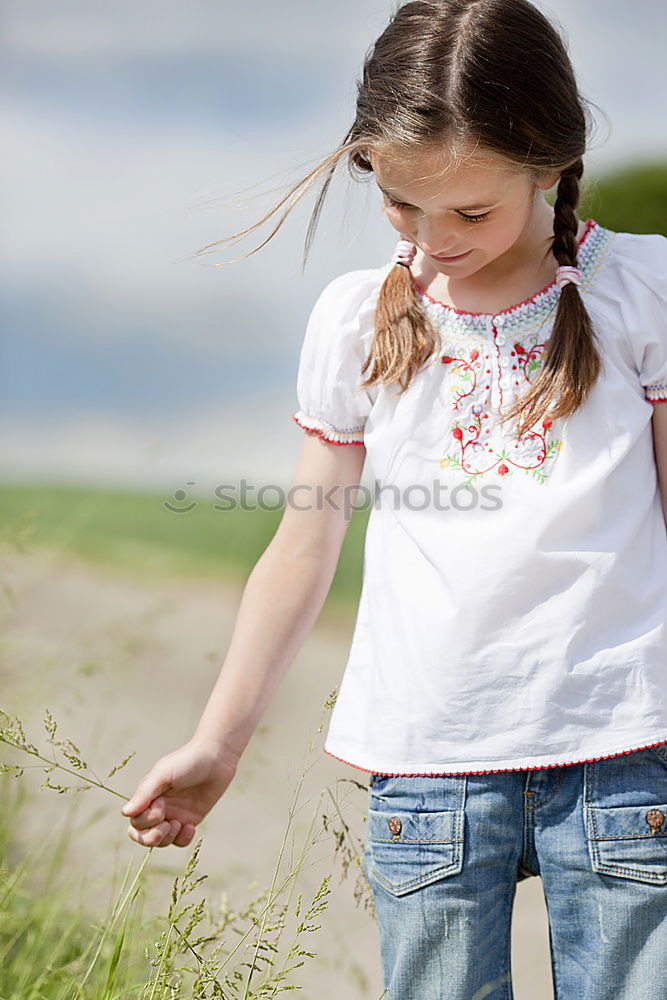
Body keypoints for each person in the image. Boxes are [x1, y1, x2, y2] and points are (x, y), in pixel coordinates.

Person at [121, 0, 667, 996]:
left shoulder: (643, 292)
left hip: (627, 757)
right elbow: (301, 547)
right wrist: (218, 737)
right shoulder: (353, 321)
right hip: (430, 770)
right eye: (400, 205)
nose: (430, 242)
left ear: (549, 160)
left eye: (469, 212)